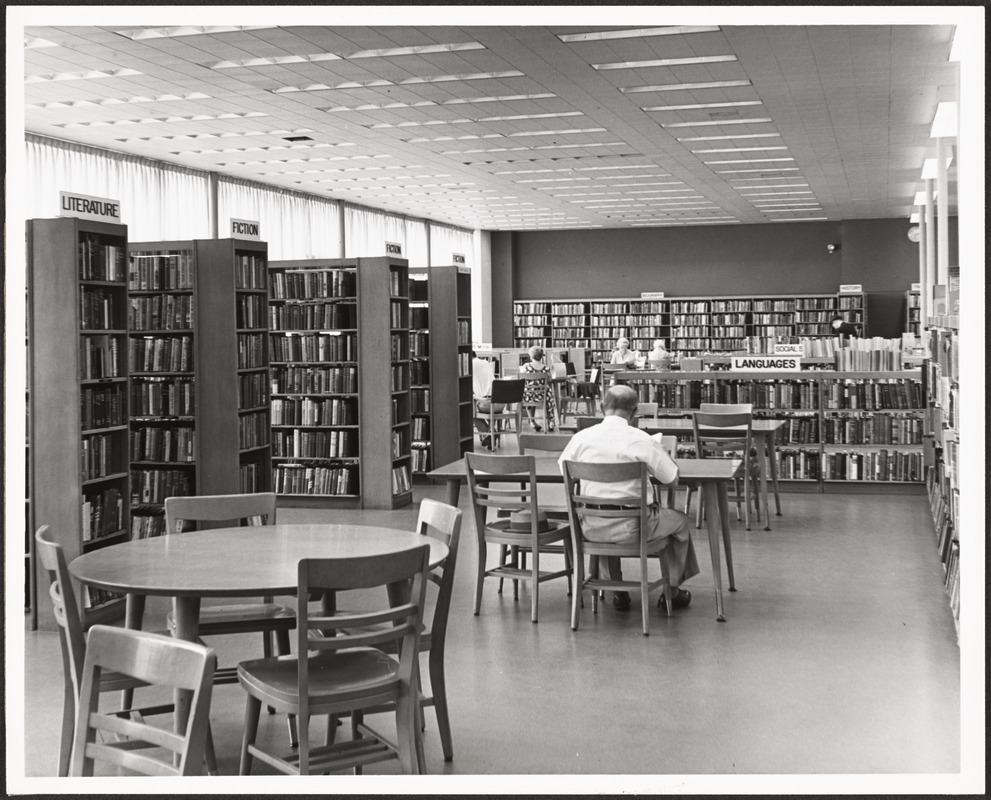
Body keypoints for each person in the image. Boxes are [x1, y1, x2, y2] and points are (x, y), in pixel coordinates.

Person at [558, 385, 699, 612]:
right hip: (635, 528)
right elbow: (672, 480)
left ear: (603, 407)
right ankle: (672, 592)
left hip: (590, 528)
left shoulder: (581, 438)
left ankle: (618, 591)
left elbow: (563, 471)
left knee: (604, 512)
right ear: (634, 413)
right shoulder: (642, 440)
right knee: (679, 522)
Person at [519, 345, 556, 432]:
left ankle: (532, 421)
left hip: (529, 396)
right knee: (549, 393)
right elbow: (550, 380)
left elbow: (521, 378)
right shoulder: (546, 368)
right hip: (543, 397)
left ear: (531, 356)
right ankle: (551, 422)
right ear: (541, 356)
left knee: (528, 391)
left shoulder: (526, 366)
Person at [472, 351, 501, 449]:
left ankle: (489, 433)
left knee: (468, 411)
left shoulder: (469, 365)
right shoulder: (486, 363)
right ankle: (491, 433)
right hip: (500, 403)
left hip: (487, 404)